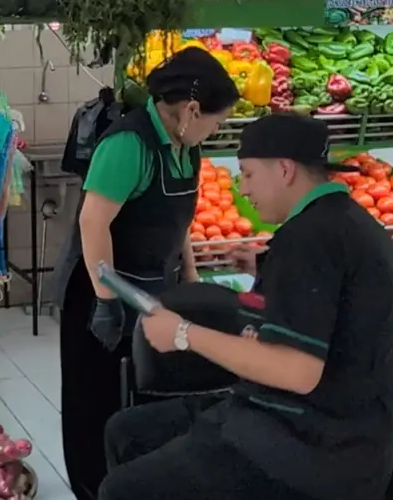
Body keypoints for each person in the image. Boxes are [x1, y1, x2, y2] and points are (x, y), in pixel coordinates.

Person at [98, 113, 393, 500]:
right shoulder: (349, 223)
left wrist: (183, 333)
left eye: (247, 174)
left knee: (120, 490)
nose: (242, 188)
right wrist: (266, 266)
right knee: (127, 431)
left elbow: (296, 370)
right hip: (350, 430)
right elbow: (333, 296)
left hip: (311, 446)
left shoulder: (307, 241)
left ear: (284, 170)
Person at [53, 47, 239, 500]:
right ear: (191, 110)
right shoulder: (127, 144)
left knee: (146, 396)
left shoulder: (184, 146)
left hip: (157, 289)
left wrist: (190, 280)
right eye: (216, 120)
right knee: (97, 399)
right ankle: (96, 490)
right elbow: (93, 222)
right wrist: (105, 301)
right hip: (104, 287)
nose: (217, 130)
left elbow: (179, 224)